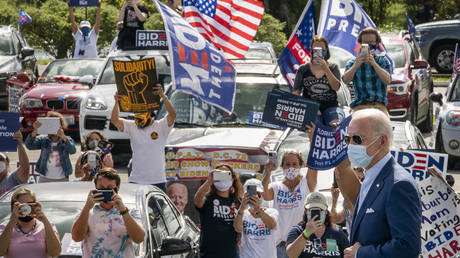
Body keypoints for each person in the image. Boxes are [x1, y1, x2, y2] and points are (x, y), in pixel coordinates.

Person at [334, 108, 421, 258]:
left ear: (382, 141)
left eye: (358, 139)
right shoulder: (371, 175)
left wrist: (360, 253)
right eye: (348, 139)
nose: (351, 145)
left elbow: (407, 247)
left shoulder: (399, 185)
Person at [111, 84, 175, 191]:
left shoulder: (161, 126)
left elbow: (172, 114)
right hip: (136, 179)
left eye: (141, 115)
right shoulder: (132, 126)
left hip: (158, 180)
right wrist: (116, 102)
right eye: (137, 115)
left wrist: (163, 96)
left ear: (150, 114)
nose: (138, 119)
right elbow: (115, 120)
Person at [71, 168, 145, 257]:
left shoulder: (131, 211)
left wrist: (124, 212)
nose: (106, 192)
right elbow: (76, 237)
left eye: (109, 189)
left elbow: (139, 238)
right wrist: (86, 208)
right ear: (96, 188)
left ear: (118, 188)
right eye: (101, 189)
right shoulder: (87, 212)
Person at [262, 150, 315, 258]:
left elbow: (314, 164)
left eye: (295, 164)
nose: (291, 168)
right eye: (287, 164)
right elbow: (265, 195)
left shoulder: (306, 183)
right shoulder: (276, 186)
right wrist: (267, 172)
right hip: (281, 246)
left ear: (301, 165)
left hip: (302, 243)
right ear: (282, 166)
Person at [293, 35, 344, 127]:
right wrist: (311, 107)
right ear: (311, 50)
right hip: (310, 106)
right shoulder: (303, 69)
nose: (319, 52)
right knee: (313, 127)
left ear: (326, 51)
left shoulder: (333, 67)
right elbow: (296, 92)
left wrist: (326, 69)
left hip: (331, 107)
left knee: (336, 125)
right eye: (316, 49)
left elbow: (336, 87)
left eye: (322, 50)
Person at [194, 164, 242, 258]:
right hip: (209, 255)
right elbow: (197, 201)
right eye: (219, 175)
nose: (222, 178)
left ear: (232, 179)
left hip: (232, 254)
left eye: (226, 175)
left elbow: (243, 224)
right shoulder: (207, 199)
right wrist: (208, 182)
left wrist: (241, 232)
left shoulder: (238, 202)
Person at [0, 188, 61, 258]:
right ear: (13, 207)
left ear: (35, 205)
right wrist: (12, 222)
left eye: (29, 204)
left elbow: (55, 253)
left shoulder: (47, 226)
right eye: (21, 205)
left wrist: (45, 221)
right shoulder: (5, 227)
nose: (26, 209)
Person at [342, 28, 392, 114]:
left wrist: (374, 64)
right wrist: (356, 65)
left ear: (376, 43)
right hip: (360, 106)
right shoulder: (352, 63)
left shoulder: (382, 61)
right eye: (365, 43)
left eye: (371, 42)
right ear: (360, 44)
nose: (368, 45)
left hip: (378, 105)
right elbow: (345, 80)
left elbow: (387, 80)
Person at [286, 192, 349, 258]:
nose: (316, 214)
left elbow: (349, 255)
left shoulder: (337, 233)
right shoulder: (297, 231)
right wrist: (306, 233)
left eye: (319, 210)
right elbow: (291, 255)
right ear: (306, 212)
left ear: (326, 212)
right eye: (312, 210)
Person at [25, 111, 77, 183]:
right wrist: (35, 131)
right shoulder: (43, 140)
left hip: (62, 178)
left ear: (61, 126)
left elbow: (72, 150)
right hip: (44, 177)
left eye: (56, 125)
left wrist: (63, 137)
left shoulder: (66, 139)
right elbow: (29, 146)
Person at [234, 179, 278, 258]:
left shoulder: (272, 212)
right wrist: (241, 208)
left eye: (257, 194)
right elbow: (237, 228)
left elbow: (272, 225)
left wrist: (258, 209)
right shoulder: (242, 213)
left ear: (261, 194)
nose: (253, 197)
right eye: (249, 195)